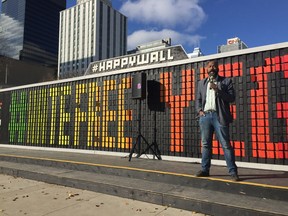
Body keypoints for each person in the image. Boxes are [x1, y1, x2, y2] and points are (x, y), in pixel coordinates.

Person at [195, 60, 239, 181]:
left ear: (218, 68)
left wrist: (218, 90)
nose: (212, 68)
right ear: (206, 69)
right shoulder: (201, 83)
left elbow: (231, 98)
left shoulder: (226, 81)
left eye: (214, 66)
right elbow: (198, 99)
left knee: (225, 144)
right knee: (205, 145)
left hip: (220, 116)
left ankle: (233, 172)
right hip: (205, 117)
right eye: (210, 66)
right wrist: (199, 111)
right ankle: (205, 170)